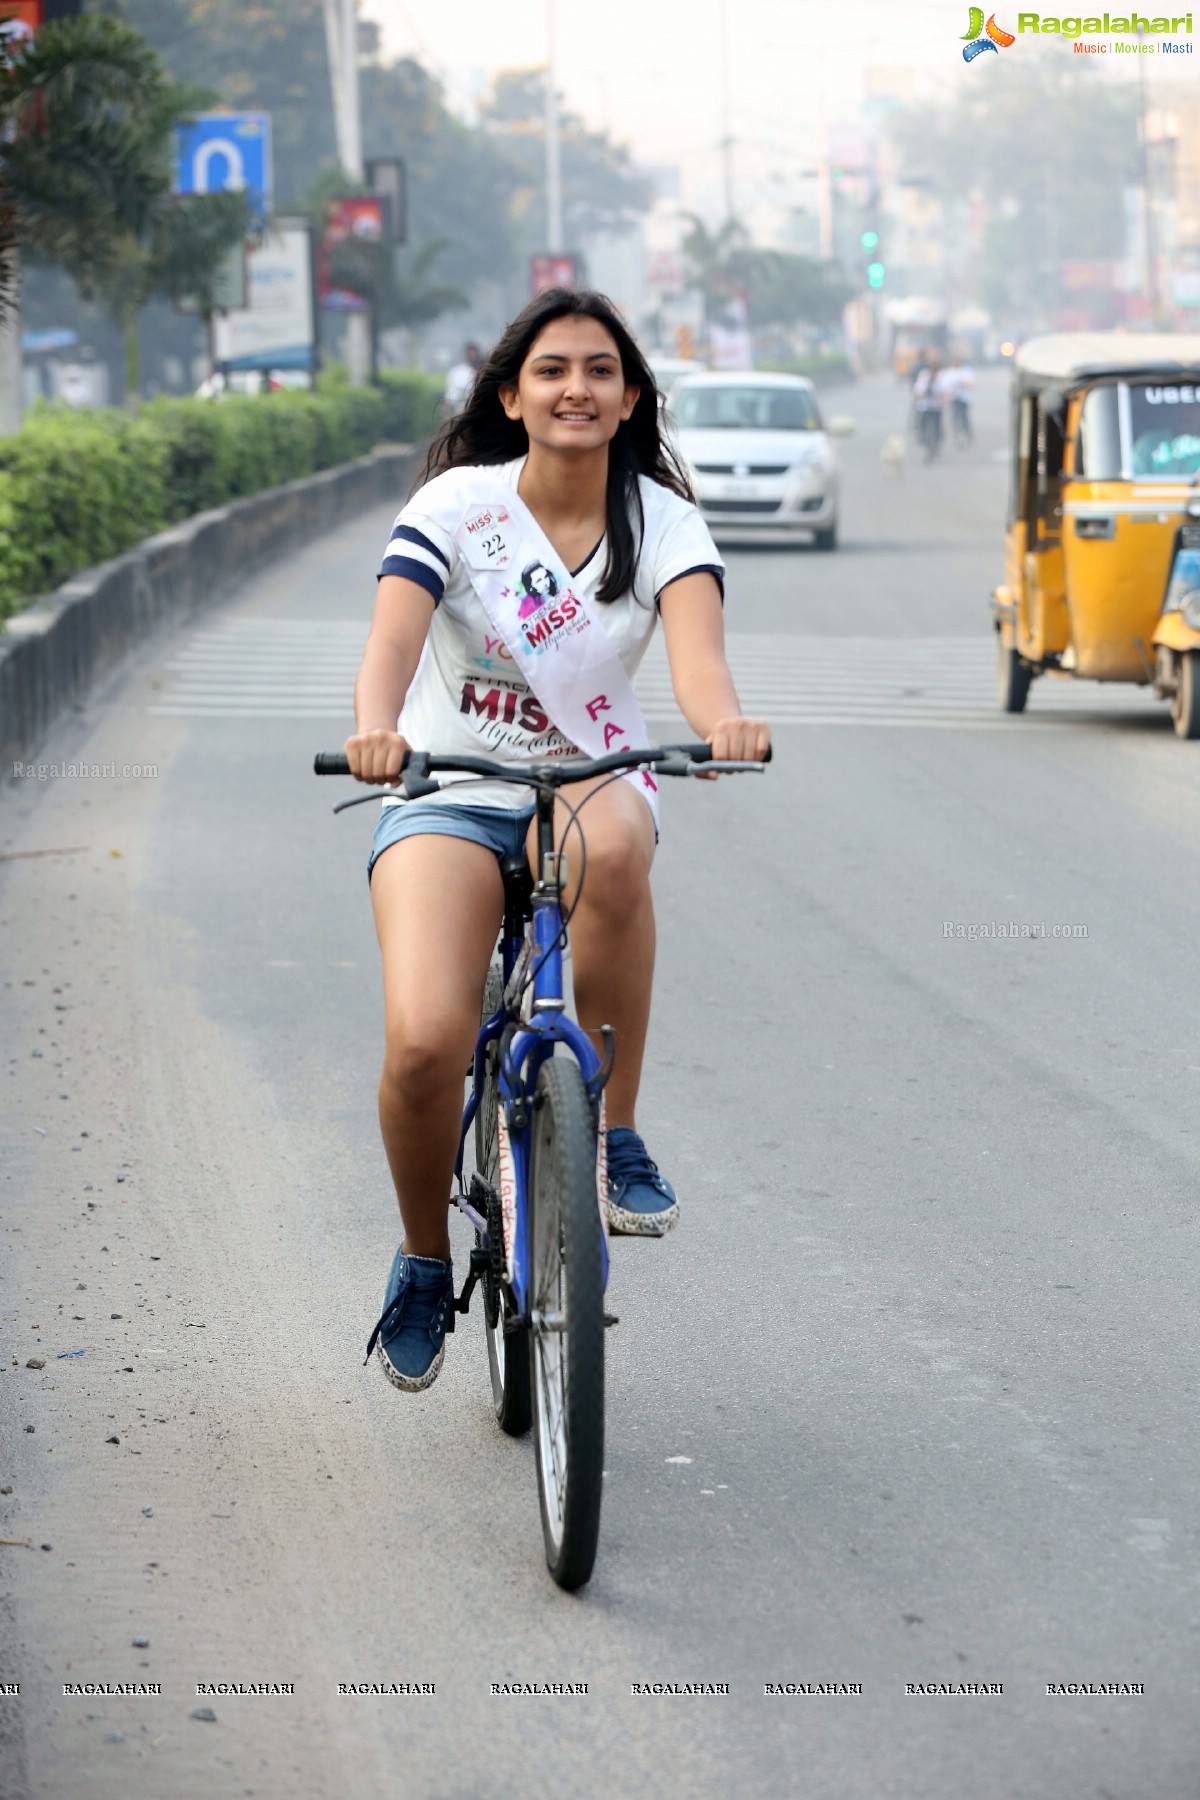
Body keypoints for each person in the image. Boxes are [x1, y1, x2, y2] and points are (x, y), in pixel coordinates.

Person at [344, 287, 771, 1392]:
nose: (575, 388)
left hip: (588, 777)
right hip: (451, 782)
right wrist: (376, 730)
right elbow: (392, 637)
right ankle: (425, 1259)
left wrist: (719, 718)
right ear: (511, 395)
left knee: (619, 851)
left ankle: (613, 1130)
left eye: (599, 370)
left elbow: (696, 660)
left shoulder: (664, 520)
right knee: (429, 1042)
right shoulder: (459, 504)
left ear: (631, 399)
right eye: (551, 370)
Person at [913, 355, 944, 463]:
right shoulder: (923, 376)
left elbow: (945, 392)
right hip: (924, 406)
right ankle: (923, 439)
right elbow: (917, 390)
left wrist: (945, 398)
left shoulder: (941, 378)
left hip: (936, 407)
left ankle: (936, 443)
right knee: (921, 425)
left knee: (937, 427)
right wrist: (917, 398)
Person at [442, 342, 482, 418]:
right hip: (459, 411)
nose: (472, 356)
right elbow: (450, 397)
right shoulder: (457, 372)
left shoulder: (482, 372)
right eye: (470, 353)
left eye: (474, 353)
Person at [946, 354, 974, 448]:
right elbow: (945, 386)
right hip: (953, 398)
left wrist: (962, 383)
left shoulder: (966, 371)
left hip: (964, 398)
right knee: (954, 417)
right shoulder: (950, 372)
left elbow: (970, 384)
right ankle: (955, 434)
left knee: (964, 417)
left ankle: (967, 433)